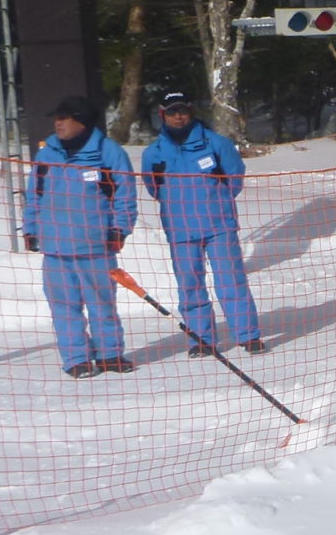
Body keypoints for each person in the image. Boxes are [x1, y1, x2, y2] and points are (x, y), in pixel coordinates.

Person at [141, 90, 264, 356]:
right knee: (190, 285)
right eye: (172, 112)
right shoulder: (153, 154)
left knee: (231, 281)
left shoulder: (217, 144)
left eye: (183, 110)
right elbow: (153, 187)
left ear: (191, 111)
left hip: (219, 226)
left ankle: (248, 336)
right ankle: (202, 340)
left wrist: (215, 200)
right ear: (163, 114)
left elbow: (235, 178)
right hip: (180, 230)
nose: (178, 116)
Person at [22, 94, 137, 377]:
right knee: (64, 309)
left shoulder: (109, 153)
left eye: (63, 118)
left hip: (95, 247)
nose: (57, 123)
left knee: (102, 305)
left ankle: (110, 355)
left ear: (81, 121)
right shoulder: (46, 153)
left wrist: (119, 229)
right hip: (56, 249)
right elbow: (34, 195)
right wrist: (31, 228)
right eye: (56, 119)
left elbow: (125, 194)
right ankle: (77, 359)